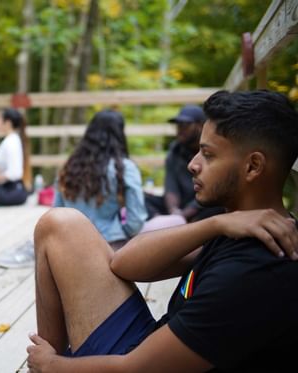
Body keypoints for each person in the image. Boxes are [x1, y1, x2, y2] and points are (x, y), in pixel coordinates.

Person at [26, 90, 298, 372]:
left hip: (139, 365)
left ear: (253, 166)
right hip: (149, 348)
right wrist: (215, 223)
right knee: (60, 224)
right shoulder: (240, 228)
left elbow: (137, 369)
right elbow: (124, 264)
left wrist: (53, 366)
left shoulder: (256, 269)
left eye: (208, 154)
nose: (193, 164)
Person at [0, 110, 147, 269]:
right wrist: (122, 231)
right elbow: (136, 221)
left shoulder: (70, 166)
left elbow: (56, 212)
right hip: (108, 243)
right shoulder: (125, 169)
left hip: (67, 243)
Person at [145, 104, 223, 222]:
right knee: (141, 198)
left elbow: (214, 191)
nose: (180, 129)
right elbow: (171, 187)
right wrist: (174, 213)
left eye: (185, 125)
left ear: (201, 125)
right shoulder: (175, 151)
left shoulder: (212, 151)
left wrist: (183, 215)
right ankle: (162, 224)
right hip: (180, 207)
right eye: (178, 125)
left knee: (219, 205)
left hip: (203, 204)